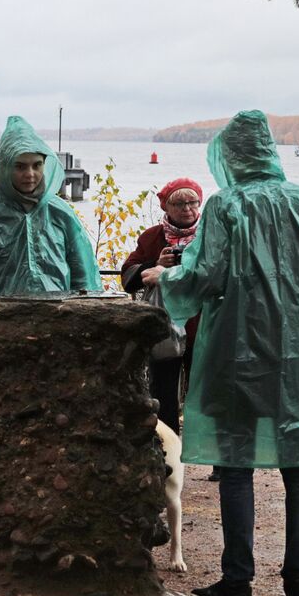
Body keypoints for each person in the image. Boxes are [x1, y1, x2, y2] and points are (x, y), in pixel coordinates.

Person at [159, 110, 299, 596]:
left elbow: (203, 274)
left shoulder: (227, 206)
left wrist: (164, 284)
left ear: (230, 157)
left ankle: (238, 584)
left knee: (234, 466)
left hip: (237, 353)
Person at [0, 116, 101, 393]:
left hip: (57, 335)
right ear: (4, 168)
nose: (31, 174)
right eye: (20, 166)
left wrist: (85, 333)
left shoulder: (60, 214)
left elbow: (83, 276)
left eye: (37, 165)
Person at [121, 177, 204, 436]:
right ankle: (167, 452)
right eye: (178, 203)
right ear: (165, 208)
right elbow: (127, 276)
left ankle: (212, 456)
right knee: (163, 392)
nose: (186, 208)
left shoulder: (210, 236)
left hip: (203, 326)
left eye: (192, 202)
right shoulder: (152, 238)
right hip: (165, 327)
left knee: (205, 392)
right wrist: (155, 265)